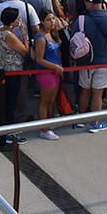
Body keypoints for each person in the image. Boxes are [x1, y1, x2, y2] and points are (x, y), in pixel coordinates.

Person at [71, 0, 107, 133]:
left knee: (84, 92)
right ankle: (95, 123)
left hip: (84, 62)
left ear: (90, 3)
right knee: (98, 94)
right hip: (104, 62)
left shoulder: (81, 20)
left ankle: (80, 119)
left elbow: (73, 40)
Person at [0, 6, 30, 143]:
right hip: (12, 70)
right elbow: (25, 51)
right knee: (11, 102)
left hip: (1, 69)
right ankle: (10, 132)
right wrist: (23, 32)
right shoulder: (10, 36)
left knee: (6, 101)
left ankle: (6, 128)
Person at [31, 11, 65, 139]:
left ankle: (49, 122)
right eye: (48, 19)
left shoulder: (52, 34)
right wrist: (55, 67)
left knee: (51, 100)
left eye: (53, 18)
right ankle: (44, 129)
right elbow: (39, 59)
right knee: (45, 101)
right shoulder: (40, 38)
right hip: (46, 73)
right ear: (42, 22)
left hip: (55, 71)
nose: (52, 21)